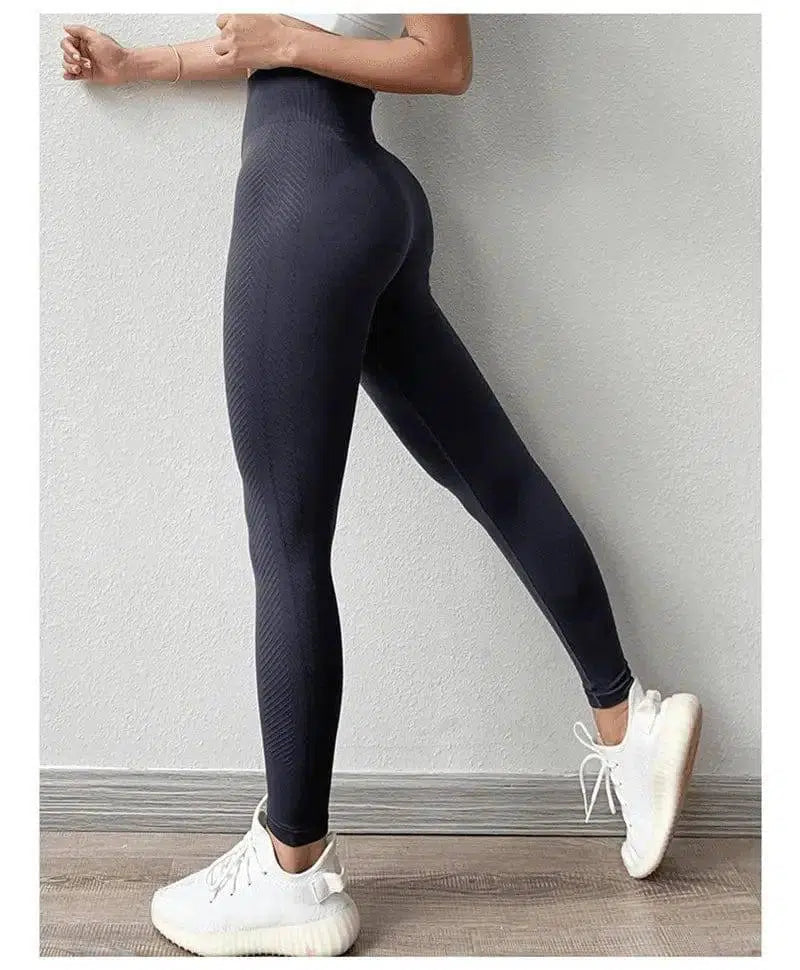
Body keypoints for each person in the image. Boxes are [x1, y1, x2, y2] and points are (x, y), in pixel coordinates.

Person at [59, 13, 702, 957]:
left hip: (300, 200)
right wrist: (138, 64)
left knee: (286, 543)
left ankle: (292, 873)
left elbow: (442, 61)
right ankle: (628, 725)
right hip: (363, 197)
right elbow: (264, 42)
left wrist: (284, 43)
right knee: (487, 474)